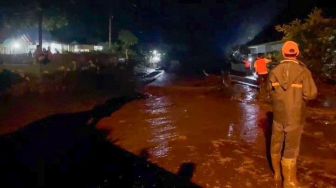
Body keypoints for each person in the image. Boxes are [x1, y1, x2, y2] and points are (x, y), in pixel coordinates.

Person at [268, 41, 317, 187]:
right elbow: (311, 94)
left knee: (276, 144)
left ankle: (277, 174)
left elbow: (269, 93)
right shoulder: (303, 71)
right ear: (296, 53)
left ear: (283, 53)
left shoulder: (274, 71)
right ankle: (289, 181)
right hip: (295, 116)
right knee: (291, 147)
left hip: (278, 116)